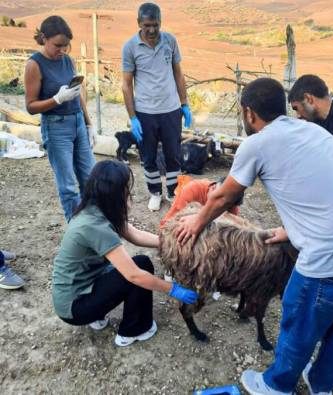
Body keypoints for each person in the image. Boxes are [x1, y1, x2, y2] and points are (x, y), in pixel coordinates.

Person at [176, 78, 333, 395]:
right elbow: (325, 190)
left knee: (299, 317)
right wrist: (293, 230)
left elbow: (223, 197)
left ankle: (276, 386)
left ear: (248, 113)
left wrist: (196, 223)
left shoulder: (257, 144)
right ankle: (321, 384)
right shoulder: (312, 131)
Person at [51, 160, 198, 347]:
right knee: (141, 266)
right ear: (114, 192)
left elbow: (135, 234)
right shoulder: (94, 226)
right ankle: (134, 329)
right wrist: (173, 289)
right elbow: (134, 275)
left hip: (79, 289)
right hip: (74, 307)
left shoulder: (97, 209)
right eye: (126, 188)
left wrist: (170, 243)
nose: (129, 193)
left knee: (131, 266)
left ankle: (95, 314)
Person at [122, 2, 192, 211]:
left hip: (171, 110)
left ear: (161, 23)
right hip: (145, 112)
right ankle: (155, 192)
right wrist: (133, 117)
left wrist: (184, 104)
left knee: (173, 154)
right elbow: (126, 84)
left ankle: (172, 192)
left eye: (156, 25)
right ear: (139, 23)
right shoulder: (130, 47)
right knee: (148, 155)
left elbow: (178, 73)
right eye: (147, 25)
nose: (152, 30)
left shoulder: (170, 41)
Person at [24, 16, 96, 221]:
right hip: (56, 128)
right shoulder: (34, 65)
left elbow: (77, 93)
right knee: (68, 186)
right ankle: (76, 232)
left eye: (66, 45)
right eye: (57, 45)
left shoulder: (68, 60)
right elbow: (30, 106)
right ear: (44, 38)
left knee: (90, 179)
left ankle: (92, 226)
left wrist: (89, 124)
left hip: (78, 123)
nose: (62, 50)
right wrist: (56, 99)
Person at [159, 177, 242, 228]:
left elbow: (230, 229)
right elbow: (168, 222)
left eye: (227, 206)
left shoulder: (232, 203)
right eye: (220, 201)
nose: (221, 206)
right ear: (212, 188)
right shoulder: (192, 190)